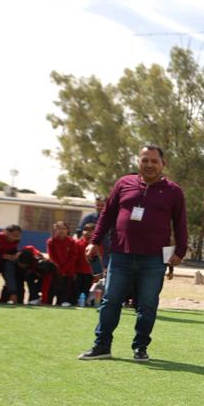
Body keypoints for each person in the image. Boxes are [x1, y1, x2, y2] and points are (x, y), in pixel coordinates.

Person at [78, 144, 188, 362]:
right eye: (145, 160)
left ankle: (140, 347)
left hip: (154, 258)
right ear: (138, 161)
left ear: (163, 164)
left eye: (154, 161)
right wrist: (94, 241)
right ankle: (102, 346)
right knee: (110, 300)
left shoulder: (174, 192)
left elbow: (180, 224)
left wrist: (180, 252)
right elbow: (107, 215)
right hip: (121, 255)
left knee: (147, 304)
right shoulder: (124, 184)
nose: (149, 164)